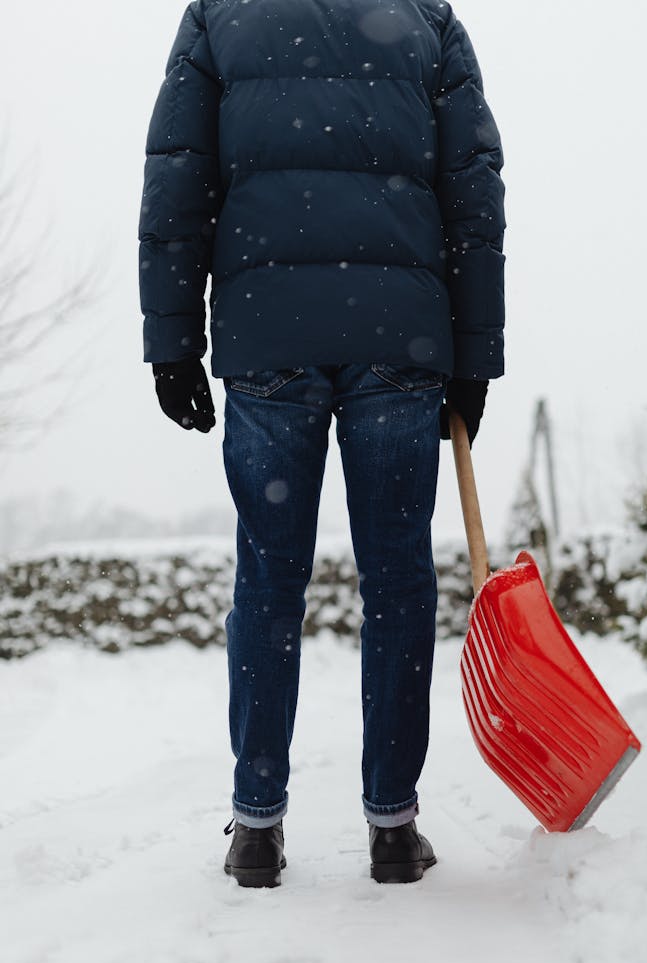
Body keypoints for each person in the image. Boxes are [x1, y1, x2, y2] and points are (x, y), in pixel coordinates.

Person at [138, 0, 505, 888]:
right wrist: (473, 355)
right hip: (400, 343)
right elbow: (473, 189)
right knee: (397, 579)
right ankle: (392, 823)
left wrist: (174, 340)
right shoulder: (425, 16)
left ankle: (256, 826)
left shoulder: (220, 13)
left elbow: (177, 181)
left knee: (268, 581)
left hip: (270, 343)